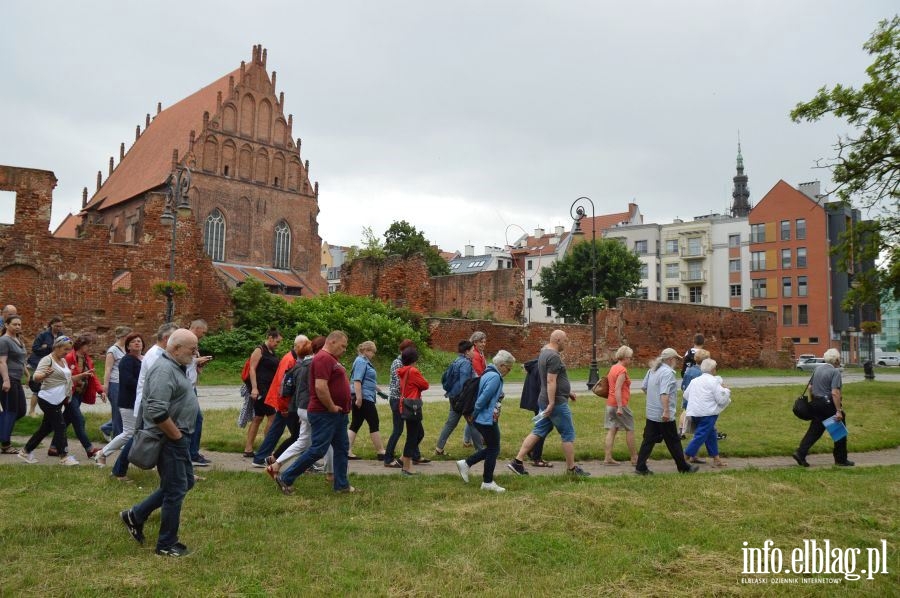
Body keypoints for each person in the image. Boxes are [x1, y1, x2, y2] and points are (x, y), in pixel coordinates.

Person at [120, 329, 200, 557]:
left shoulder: (176, 367)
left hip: (177, 438)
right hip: (169, 439)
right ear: (175, 348)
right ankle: (166, 544)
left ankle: (135, 515)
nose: (195, 353)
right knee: (175, 490)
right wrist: (176, 436)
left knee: (184, 484)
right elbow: (156, 410)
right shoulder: (164, 370)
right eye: (191, 349)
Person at [273, 330, 356, 494]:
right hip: (325, 413)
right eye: (343, 346)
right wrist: (331, 406)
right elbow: (320, 386)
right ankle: (286, 477)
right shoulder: (323, 358)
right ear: (332, 342)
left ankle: (341, 485)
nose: (345, 349)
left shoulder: (332, 359)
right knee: (318, 449)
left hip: (338, 415)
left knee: (341, 448)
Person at [508, 330, 590, 477]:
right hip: (555, 403)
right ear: (558, 340)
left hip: (544, 399)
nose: (566, 343)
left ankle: (517, 462)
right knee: (568, 433)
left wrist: (568, 392)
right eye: (565, 340)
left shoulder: (544, 353)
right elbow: (550, 380)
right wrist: (552, 403)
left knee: (538, 430)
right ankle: (572, 469)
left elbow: (552, 379)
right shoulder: (553, 356)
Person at [111, 323, 178, 481]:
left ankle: (175, 472)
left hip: (152, 402)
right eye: (175, 338)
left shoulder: (159, 353)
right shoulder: (156, 355)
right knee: (140, 437)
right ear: (167, 338)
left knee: (152, 437)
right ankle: (118, 470)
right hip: (149, 403)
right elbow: (158, 381)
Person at [18, 336, 92, 465]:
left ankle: (25, 451)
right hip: (47, 399)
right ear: (56, 347)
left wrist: (81, 375)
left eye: (69, 350)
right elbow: (36, 377)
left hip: (57, 400)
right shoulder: (47, 360)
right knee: (60, 426)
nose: (67, 352)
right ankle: (64, 457)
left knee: (45, 428)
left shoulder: (62, 360)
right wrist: (45, 375)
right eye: (65, 349)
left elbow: (66, 379)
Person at [265, 336, 331, 478]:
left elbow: (292, 389)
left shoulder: (297, 365)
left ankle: (275, 464)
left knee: (302, 441)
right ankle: (330, 473)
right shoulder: (313, 364)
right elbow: (316, 388)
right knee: (326, 439)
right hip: (309, 408)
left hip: (300, 407)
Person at [456, 350, 516, 493]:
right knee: (494, 448)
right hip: (485, 418)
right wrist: (475, 413)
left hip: (483, 417)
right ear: (502, 365)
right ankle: (487, 481)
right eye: (508, 368)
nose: (508, 371)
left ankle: (466, 463)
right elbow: (483, 398)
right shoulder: (495, 377)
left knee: (492, 448)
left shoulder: (488, 372)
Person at [634, 348, 699, 475]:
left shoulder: (652, 370)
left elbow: (644, 387)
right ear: (670, 359)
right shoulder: (667, 373)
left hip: (652, 412)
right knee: (673, 441)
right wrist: (665, 411)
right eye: (675, 359)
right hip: (663, 414)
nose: (676, 361)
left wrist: (653, 399)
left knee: (649, 440)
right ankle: (683, 467)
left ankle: (640, 466)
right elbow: (664, 393)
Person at [252, 335, 309, 468]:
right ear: (297, 346)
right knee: (298, 435)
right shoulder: (289, 360)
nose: (307, 348)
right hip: (286, 403)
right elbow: (283, 384)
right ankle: (301, 460)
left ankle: (260, 458)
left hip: (286, 403)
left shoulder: (295, 358)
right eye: (304, 345)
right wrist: (283, 406)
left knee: (278, 431)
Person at [792, 348, 853, 468]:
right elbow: (835, 393)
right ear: (835, 360)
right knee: (839, 431)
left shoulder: (817, 369)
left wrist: (814, 401)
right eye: (839, 358)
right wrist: (838, 411)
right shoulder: (835, 372)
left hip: (816, 403)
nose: (839, 360)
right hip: (828, 405)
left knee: (815, 431)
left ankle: (800, 453)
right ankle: (841, 459)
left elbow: (810, 387)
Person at [94, 333, 143, 466]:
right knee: (128, 433)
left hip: (140, 401)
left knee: (140, 432)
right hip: (128, 401)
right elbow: (128, 381)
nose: (137, 343)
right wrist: (145, 385)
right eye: (133, 342)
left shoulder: (142, 359)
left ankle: (141, 460)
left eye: (139, 341)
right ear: (128, 346)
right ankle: (102, 453)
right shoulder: (127, 360)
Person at [434, 340, 483, 457]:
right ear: (467, 352)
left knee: (450, 424)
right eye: (472, 350)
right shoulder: (466, 363)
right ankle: (480, 451)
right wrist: (468, 400)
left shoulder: (456, 360)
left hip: (453, 397)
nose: (474, 353)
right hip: (463, 399)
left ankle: (439, 448)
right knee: (472, 423)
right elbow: (465, 384)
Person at [683, 359, 730, 467]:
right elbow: (721, 399)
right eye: (715, 368)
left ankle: (716, 459)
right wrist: (726, 390)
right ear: (713, 369)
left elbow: (686, 395)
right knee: (701, 435)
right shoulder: (714, 381)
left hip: (694, 412)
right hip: (707, 414)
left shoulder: (695, 381)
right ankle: (685, 456)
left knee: (711, 434)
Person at [243, 328, 282, 458]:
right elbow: (252, 369)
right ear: (270, 338)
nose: (278, 344)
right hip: (260, 389)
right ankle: (267, 449)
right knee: (272, 417)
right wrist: (254, 388)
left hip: (269, 389)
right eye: (277, 341)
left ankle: (248, 449)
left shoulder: (271, 351)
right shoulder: (259, 350)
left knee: (258, 417)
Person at [64, 336, 104, 459]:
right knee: (79, 420)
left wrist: (100, 390)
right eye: (87, 345)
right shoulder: (70, 357)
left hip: (80, 394)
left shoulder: (87, 359)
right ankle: (89, 449)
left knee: (65, 420)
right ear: (81, 346)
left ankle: (54, 446)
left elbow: (93, 376)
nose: (89, 348)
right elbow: (67, 375)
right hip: (70, 393)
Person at [382, 339, 420, 468]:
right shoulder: (398, 363)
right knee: (398, 429)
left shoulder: (403, 363)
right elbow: (400, 383)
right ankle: (388, 458)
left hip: (403, 399)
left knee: (415, 429)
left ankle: (414, 455)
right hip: (398, 399)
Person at [347, 340, 386, 460]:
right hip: (363, 398)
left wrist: (379, 391)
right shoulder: (360, 361)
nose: (373, 354)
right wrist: (359, 399)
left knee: (356, 424)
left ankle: (346, 451)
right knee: (374, 422)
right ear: (365, 350)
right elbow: (357, 380)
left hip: (365, 396)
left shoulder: (365, 361)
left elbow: (368, 380)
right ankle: (381, 452)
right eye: (372, 352)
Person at [396, 347, 429, 476]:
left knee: (419, 433)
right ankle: (406, 467)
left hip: (405, 405)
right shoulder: (413, 371)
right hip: (413, 407)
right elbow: (425, 384)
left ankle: (403, 460)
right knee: (412, 436)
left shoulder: (403, 371)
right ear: (414, 359)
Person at [603, 345, 637, 466]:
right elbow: (617, 389)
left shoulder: (613, 367)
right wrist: (620, 407)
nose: (630, 360)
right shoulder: (622, 370)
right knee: (630, 429)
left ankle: (607, 457)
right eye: (630, 358)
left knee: (612, 429)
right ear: (625, 357)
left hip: (610, 403)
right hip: (619, 404)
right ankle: (634, 458)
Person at [186, 320, 213, 467]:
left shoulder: (193, 342)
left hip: (191, 386)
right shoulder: (185, 340)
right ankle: (192, 453)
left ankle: (191, 452)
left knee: (194, 420)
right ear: (196, 328)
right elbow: (182, 360)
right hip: (186, 387)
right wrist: (196, 360)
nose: (204, 335)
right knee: (196, 419)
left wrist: (198, 363)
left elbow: (190, 363)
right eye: (203, 332)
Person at [519, 355, 554, 468]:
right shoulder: (541, 368)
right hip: (540, 402)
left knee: (543, 427)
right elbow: (544, 387)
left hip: (535, 400)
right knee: (542, 428)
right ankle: (536, 456)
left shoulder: (536, 364)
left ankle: (532, 448)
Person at [0, 315, 28, 453]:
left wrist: (28, 375)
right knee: (10, 411)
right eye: (14, 324)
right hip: (8, 379)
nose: (17, 326)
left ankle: (3, 431)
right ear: (6, 325)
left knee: (21, 410)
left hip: (17, 379)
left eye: (19, 324)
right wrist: (5, 380)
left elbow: (21, 360)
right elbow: (2, 362)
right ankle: (5, 445)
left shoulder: (18, 339)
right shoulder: (4, 340)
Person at [27, 316, 64, 418]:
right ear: (51, 324)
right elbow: (35, 348)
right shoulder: (43, 335)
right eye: (56, 326)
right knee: (37, 387)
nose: (58, 328)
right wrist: (46, 348)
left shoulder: (61, 335)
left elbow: (65, 346)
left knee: (51, 385)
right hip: (40, 362)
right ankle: (31, 411)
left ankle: (49, 411)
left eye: (60, 326)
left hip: (54, 362)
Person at [100, 326, 132, 441]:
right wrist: (105, 387)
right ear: (124, 336)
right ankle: (118, 439)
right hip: (115, 384)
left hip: (125, 384)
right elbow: (108, 369)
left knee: (124, 411)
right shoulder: (112, 350)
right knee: (118, 412)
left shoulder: (126, 349)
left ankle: (106, 428)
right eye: (129, 336)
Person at [465, 331, 488, 447]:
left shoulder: (480, 353)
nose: (483, 344)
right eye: (481, 342)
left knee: (472, 414)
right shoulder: (475, 354)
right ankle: (472, 440)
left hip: (478, 385)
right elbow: (479, 372)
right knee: (474, 414)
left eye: (484, 342)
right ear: (474, 343)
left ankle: (467, 440)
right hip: (476, 386)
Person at [679, 348, 709, 438]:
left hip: (687, 396)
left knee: (685, 411)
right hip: (696, 399)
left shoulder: (688, 370)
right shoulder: (701, 373)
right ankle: (706, 433)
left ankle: (681, 431)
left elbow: (683, 385)